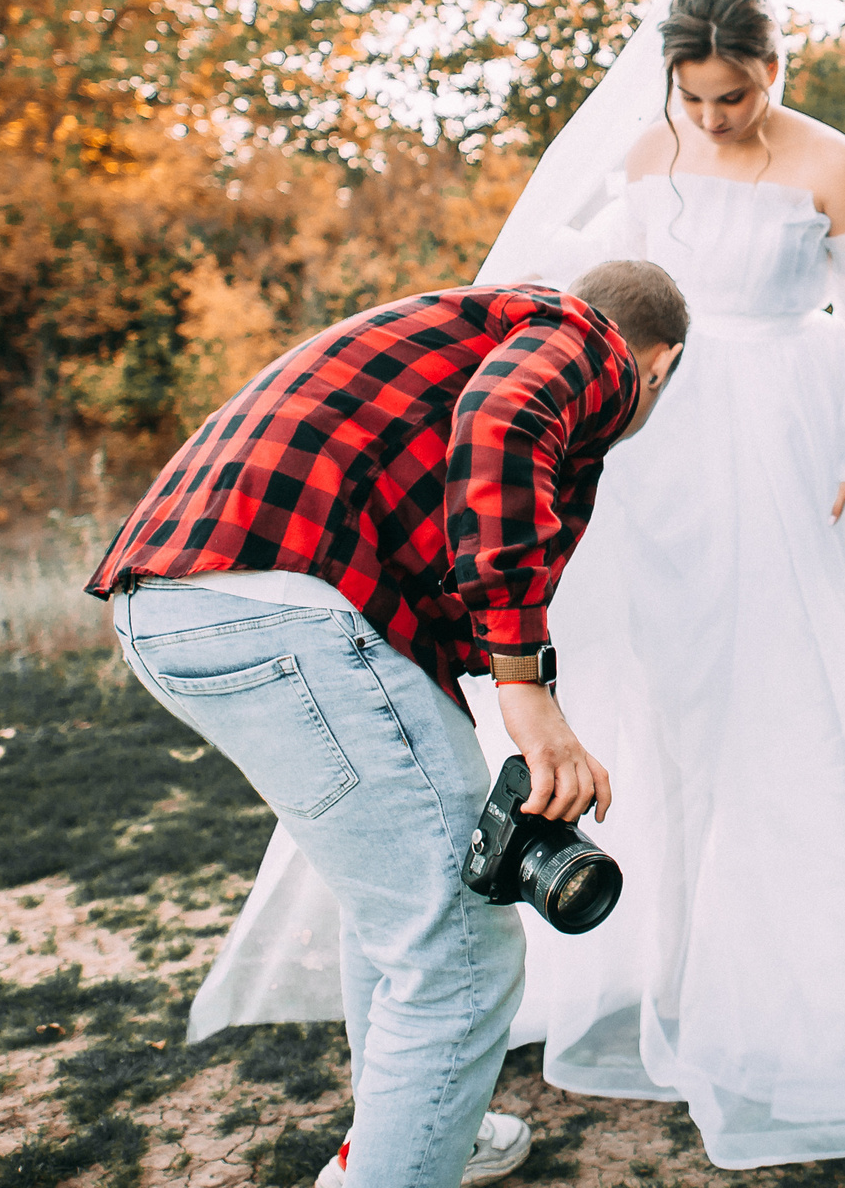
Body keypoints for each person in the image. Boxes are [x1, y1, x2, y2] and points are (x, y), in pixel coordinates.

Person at [195, 0, 845, 1172]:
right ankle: (640, 957)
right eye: (694, 97)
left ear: (775, 70)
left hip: (790, 448)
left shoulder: (833, 162)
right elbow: (582, 288)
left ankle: (798, 982)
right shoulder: (646, 150)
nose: (715, 116)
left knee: (786, 702)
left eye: (735, 94)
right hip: (647, 445)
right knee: (655, 698)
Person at [86, 263, 689, 1188]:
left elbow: (437, 554)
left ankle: (408, 1132)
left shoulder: (467, 330)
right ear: (661, 365)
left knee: (401, 910)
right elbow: (504, 429)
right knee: (459, 955)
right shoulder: (589, 341)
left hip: (168, 603)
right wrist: (530, 695)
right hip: (284, 605)